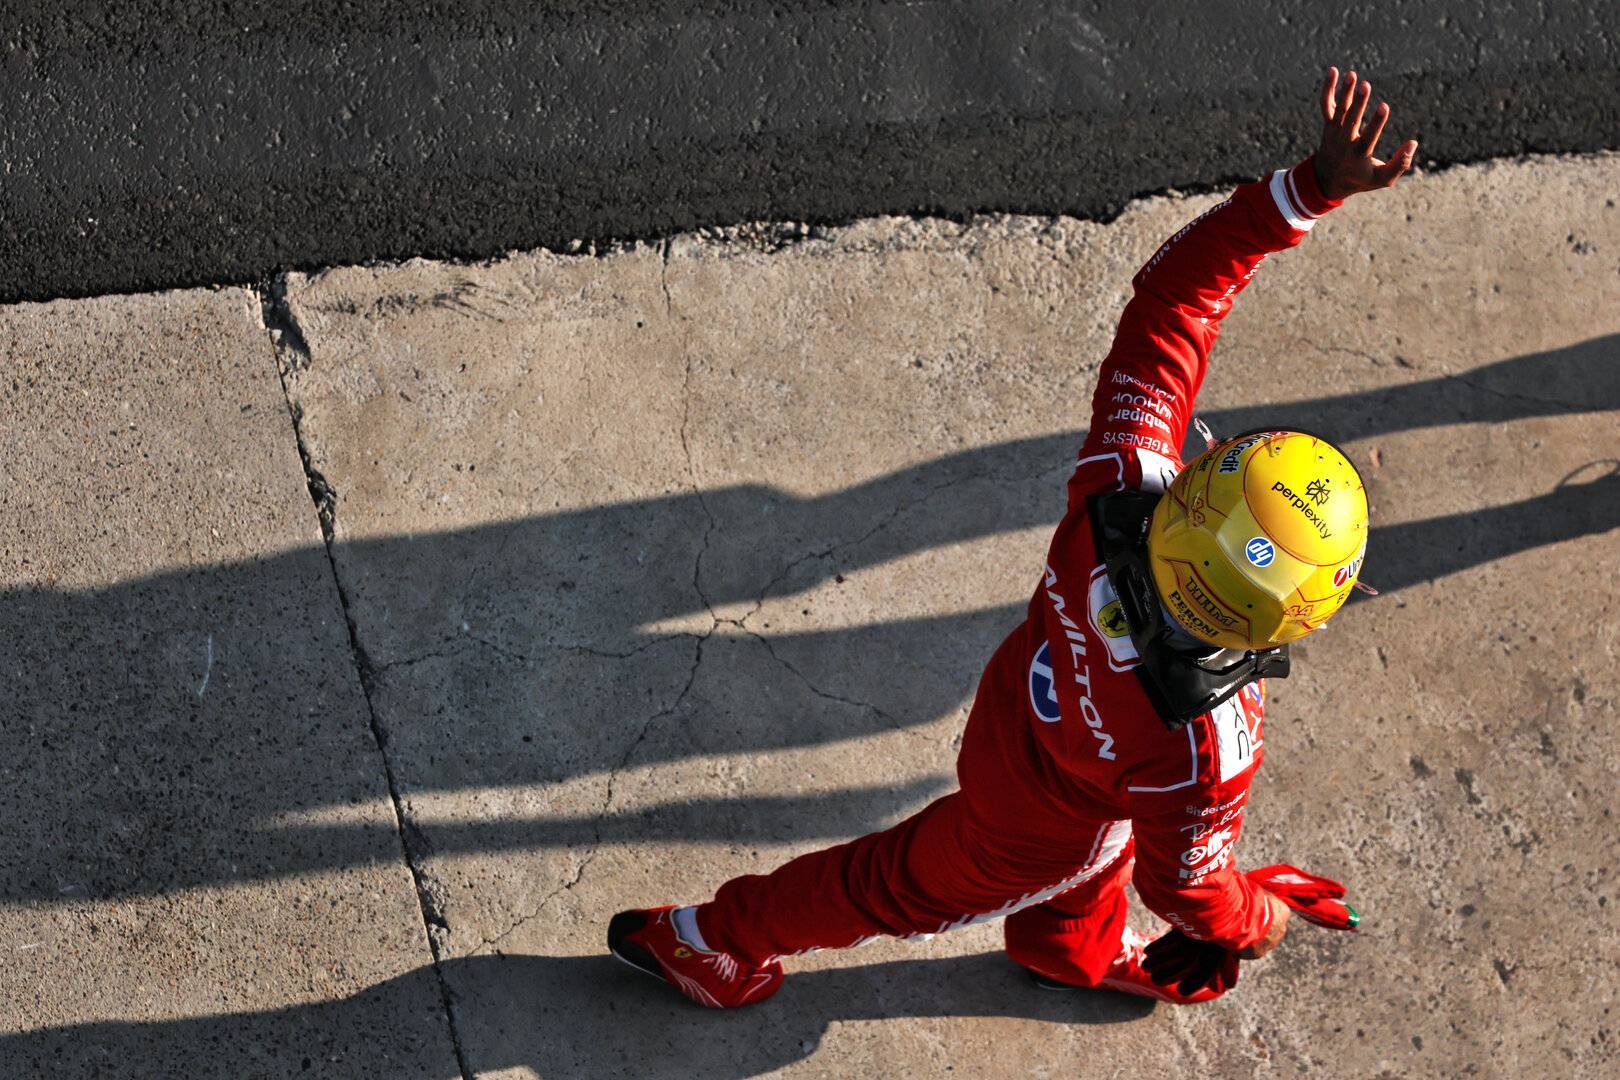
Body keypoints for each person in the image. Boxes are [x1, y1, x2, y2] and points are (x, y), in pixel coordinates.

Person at [607, 67, 1418, 1008]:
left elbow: (1173, 303)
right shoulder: (1208, 742)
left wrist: (1307, 189)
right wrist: (1255, 920)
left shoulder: (1120, 483)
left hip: (1018, 711)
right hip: (1045, 828)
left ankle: (1061, 947)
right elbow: (1183, 885)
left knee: (1087, 864)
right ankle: (703, 940)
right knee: (892, 887)